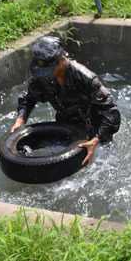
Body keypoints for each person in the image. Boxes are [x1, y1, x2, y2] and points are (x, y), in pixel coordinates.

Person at [10, 36, 121, 165]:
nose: (46, 75)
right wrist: (20, 120)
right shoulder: (43, 76)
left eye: (49, 71)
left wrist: (95, 141)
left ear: (61, 60)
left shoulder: (85, 78)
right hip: (66, 126)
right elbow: (29, 98)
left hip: (95, 132)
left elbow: (110, 112)